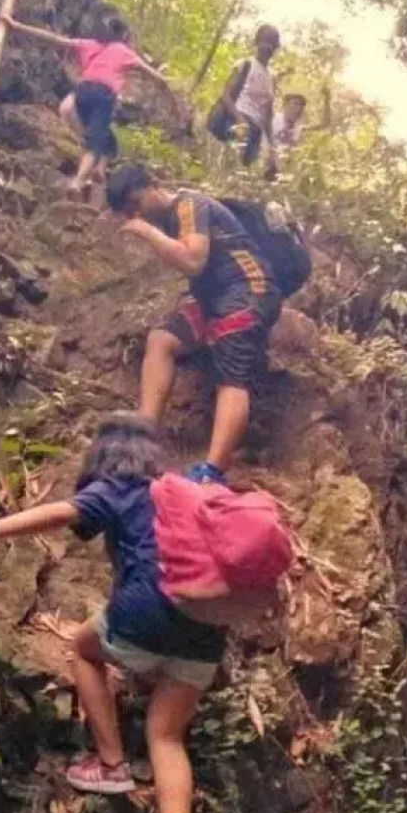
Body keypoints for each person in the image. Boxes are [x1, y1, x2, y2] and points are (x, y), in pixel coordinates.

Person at [0, 414, 224, 813]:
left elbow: (59, 514)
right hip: (207, 630)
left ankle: (111, 764)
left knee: (83, 650)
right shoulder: (183, 489)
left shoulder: (117, 488)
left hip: (144, 613)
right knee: (167, 736)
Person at [106, 164, 281, 485]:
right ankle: (144, 435)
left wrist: (148, 233)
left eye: (136, 204)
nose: (134, 216)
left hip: (248, 291)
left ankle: (213, 469)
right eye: (127, 212)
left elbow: (192, 260)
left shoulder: (189, 205)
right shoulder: (170, 218)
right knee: (162, 339)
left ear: (153, 185)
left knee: (231, 376)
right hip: (212, 299)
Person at [1, 13, 175, 200]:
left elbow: (55, 39)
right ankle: (77, 182)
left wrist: (16, 25)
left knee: (102, 138)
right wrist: (169, 86)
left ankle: (99, 168)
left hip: (82, 93)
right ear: (125, 36)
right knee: (94, 144)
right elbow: (154, 76)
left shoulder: (89, 45)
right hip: (103, 95)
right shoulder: (124, 52)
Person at [208, 24, 281, 178]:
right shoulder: (246, 65)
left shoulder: (272, 77)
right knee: (230, 167)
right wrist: (240, 120)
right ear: (257, 42)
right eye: (265, 41)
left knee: (244, 172)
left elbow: (268, 115)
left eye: (272, 44)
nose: (268, 47)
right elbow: (226, 96)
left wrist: (272, 147)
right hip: (238, 121)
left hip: (256, 131)